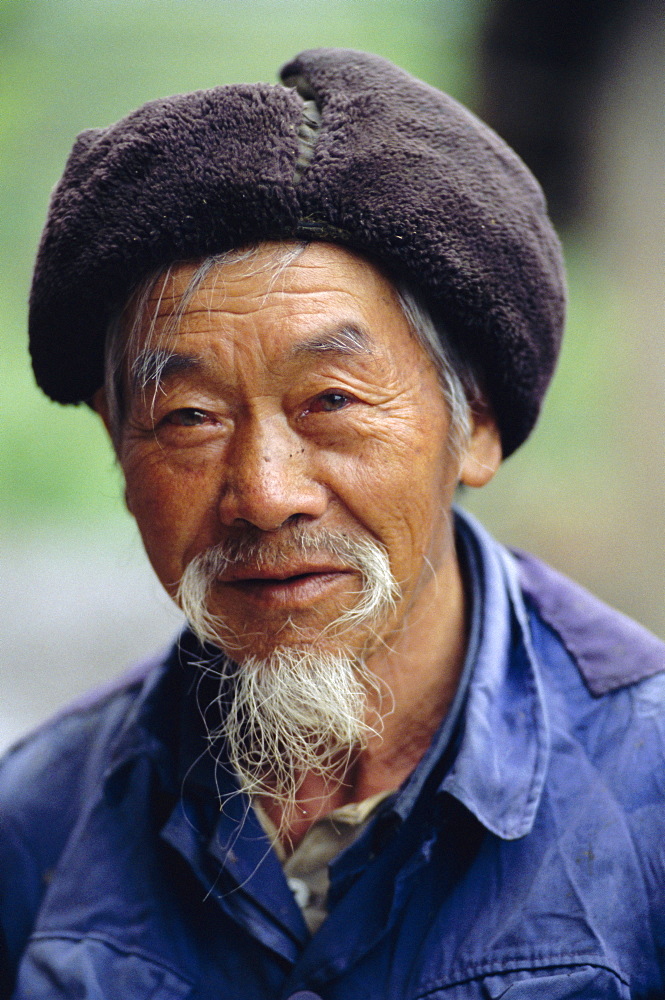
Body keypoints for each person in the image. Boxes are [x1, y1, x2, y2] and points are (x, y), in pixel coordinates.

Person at [2, 48, 664, 1000]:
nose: (265, 494)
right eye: (189, 418)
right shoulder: (37, 828)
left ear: (473, 422)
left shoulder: (642, 792)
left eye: (331, 401)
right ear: (116, 441)